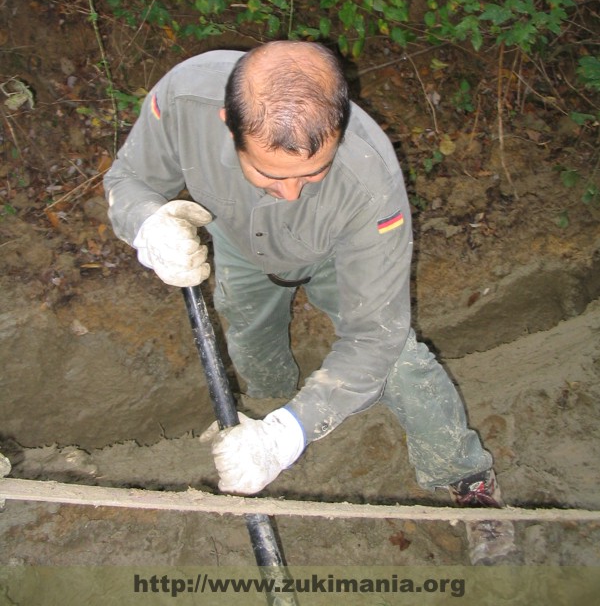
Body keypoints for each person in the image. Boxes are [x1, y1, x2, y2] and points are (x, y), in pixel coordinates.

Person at [104, 40, 515, 562]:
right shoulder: (185, 99)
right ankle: (270, 412)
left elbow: (373, 337)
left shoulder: (370, 181)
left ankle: (467, 479)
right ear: (229, 124)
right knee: (252, 350)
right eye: (272, 175)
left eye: (313, 173)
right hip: (237, 241)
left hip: (335, 252)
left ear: (340, 128)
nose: (293, 192)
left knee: (402, 363)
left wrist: (288, 436)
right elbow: (129, 179)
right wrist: (146, 221)